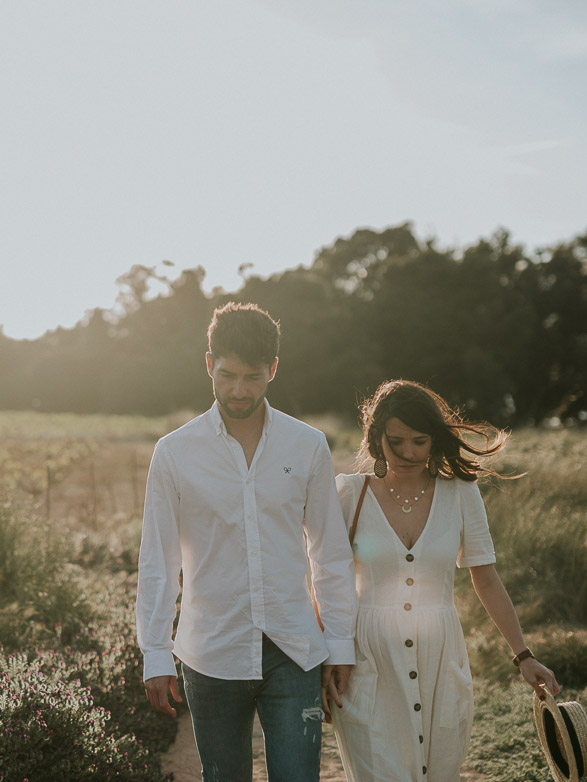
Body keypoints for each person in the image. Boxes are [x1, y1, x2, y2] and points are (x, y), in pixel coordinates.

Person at [136, 302, 358, 782]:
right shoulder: (174, 453)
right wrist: (155, 652)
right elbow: (158, 558)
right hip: (211, 649)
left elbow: (330, 554)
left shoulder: (308, 445)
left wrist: (340, 644)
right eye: (227, 375)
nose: (239, 390)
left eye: (253, 377)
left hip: (294, 648)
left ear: (273, 369)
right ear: (208, 364)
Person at [325, 379, 560, 782]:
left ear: (435, 440)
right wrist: (332, 653)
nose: (408, 453)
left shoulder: (461, 495)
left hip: (442, 660)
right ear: (375, 437)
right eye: (395, 441)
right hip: (368, 662)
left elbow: (486, 580)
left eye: (419, 440)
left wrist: (524, 655)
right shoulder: (349, 494)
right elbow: (325, 580)